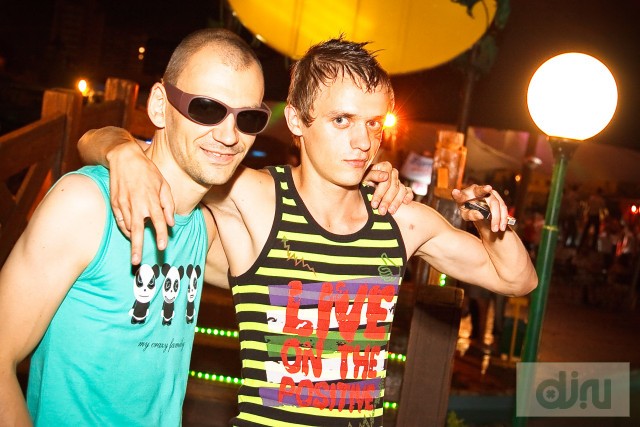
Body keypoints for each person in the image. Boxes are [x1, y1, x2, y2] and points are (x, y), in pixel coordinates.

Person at [80, 37, 537, 426]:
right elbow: (112, 142)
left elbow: (518, 280)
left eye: (373, 123)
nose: (363, 142)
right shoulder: (249, 196)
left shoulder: (401, 219)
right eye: (342, 120)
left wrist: (489, 222)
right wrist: (123, 153)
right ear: (297, 120)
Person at [0, 29, 409, 426]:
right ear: (159, 106)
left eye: (248, 118)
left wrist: (357, 180)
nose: (229, 135)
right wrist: (118, 148)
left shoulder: (203, 230)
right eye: (206, 109)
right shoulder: (86, 204)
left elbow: (312, 275)